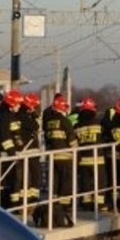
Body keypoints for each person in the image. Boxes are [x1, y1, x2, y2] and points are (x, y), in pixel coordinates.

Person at [42, 93, 78, 225]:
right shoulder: (65, 121)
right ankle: (65, 208)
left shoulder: (50, 122)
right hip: (65, 156)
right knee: (66, 183)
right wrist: (76, 152)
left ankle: (54, 205)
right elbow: (72, 140)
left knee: (54, 183)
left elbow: (47, 138)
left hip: (53, 156)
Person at [74, 97, 107, 210]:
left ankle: (86, 203)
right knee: (100, 181)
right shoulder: (98, 124)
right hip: (97, 158)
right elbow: (105, 138)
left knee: (85, 181)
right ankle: (99, 203)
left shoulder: (77, 126)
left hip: (83, 159)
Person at [0, 90, 26, 208]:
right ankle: (11, 204)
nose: (19, 106)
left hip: (15, 153)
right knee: (11, 181)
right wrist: (12, 153)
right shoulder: (4, 116)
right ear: (12, 104)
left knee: (17, 180)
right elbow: (5, 137)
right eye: (18, 104)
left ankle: (15, 203)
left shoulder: (11, 115)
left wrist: (20, 146)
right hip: (8, 155)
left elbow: (15, 133)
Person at [20, 93, 43, 206]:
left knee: (30, 175)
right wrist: (34, 115)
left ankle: (31, 197)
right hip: (29, 149)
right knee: (34, 174)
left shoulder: (21, 114)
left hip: (28, 149)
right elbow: (36, 126)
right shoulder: (25, 116)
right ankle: (31, 198)